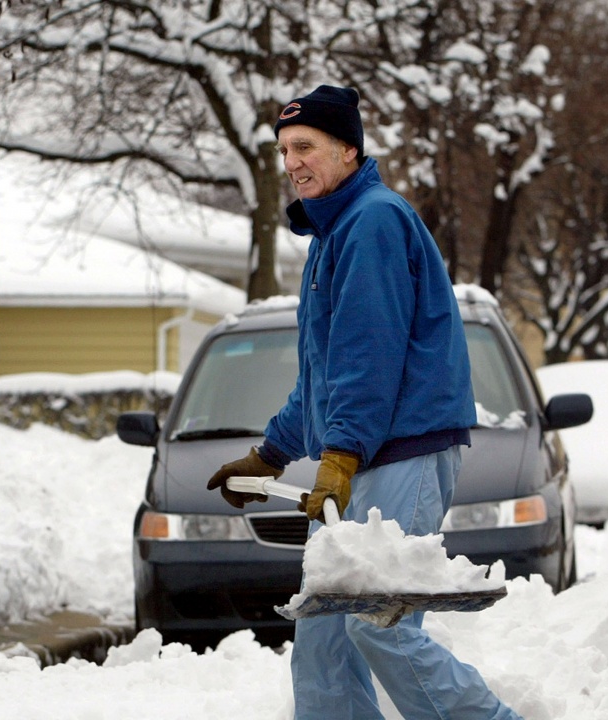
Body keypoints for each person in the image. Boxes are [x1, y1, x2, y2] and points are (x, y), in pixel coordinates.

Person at [206, 85, 522, 720]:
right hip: (361, 455)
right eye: (283, 150)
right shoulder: (332, 235)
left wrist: (342, 454)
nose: (292, 162)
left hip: (399, 451)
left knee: (380, 624)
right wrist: (270, 455)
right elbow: (324, 374)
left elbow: (369, 357)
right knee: (323, 639)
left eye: (305, 147)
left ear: (348, 150)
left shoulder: (373, 221)